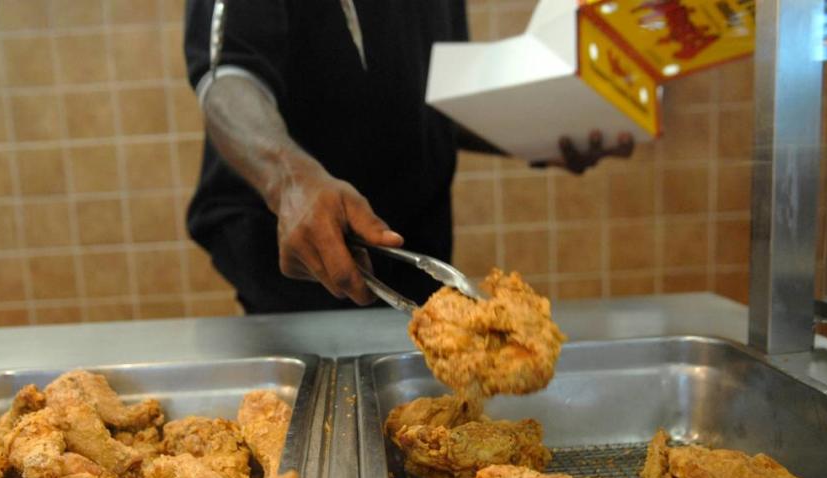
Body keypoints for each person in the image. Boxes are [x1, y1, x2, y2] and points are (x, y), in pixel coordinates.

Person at [184, 0, 632, 314]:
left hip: (413, 251)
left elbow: (424, 101)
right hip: (302, 265)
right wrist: (291, 181)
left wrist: (540, 132)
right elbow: (225, 76)